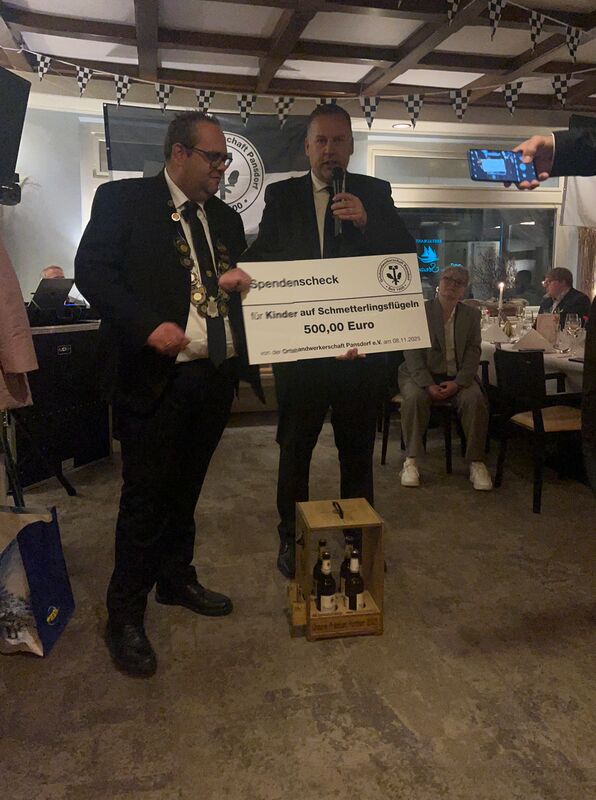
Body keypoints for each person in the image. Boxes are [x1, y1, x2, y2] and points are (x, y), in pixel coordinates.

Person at [75, 111, 263, 677]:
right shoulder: (124, 201)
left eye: (225, 159)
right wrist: (146, 325)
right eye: (214, 157)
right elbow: (93, 272)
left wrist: (239, 283)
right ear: (179, 153)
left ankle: (176, 579)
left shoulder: (226, 219)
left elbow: (224, 288)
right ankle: (124, 615)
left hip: (212, 376)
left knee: (186, 490)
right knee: (145, 499)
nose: (222, 168)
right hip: (154, 377)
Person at [242, 103, 415, 578]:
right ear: (307, 147)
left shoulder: (375, 193)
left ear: (351, 146)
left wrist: (367, 222)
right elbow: (264, 257)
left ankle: (358, 541)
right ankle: (291, 539)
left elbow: (404, 256)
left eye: (338, 140)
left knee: (356, 454)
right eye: (321, 140)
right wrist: (240, 273)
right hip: (302, 356)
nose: (329, 149)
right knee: (294, 451)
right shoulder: (283, 196)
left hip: (360, 357)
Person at [511, 130, 596, 496]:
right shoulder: (547, 303)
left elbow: (573, 333)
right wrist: (558, 148)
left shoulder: (579, 301)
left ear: (561, 282)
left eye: (549, 281)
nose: (544, 285)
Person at [398, 267, 492, 491]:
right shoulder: (420, 311)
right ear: (439, 282)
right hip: (420, 373)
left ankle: (476, 462)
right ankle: (411, 461)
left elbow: (473, 352)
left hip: (456, 376)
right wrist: (428, 383)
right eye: (448, 279)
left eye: (458, 282)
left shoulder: (471, 315)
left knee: (475, 399)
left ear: (464, 289)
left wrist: (458, 383)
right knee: (414, 398)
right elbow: (411, 352)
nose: (452, 285)